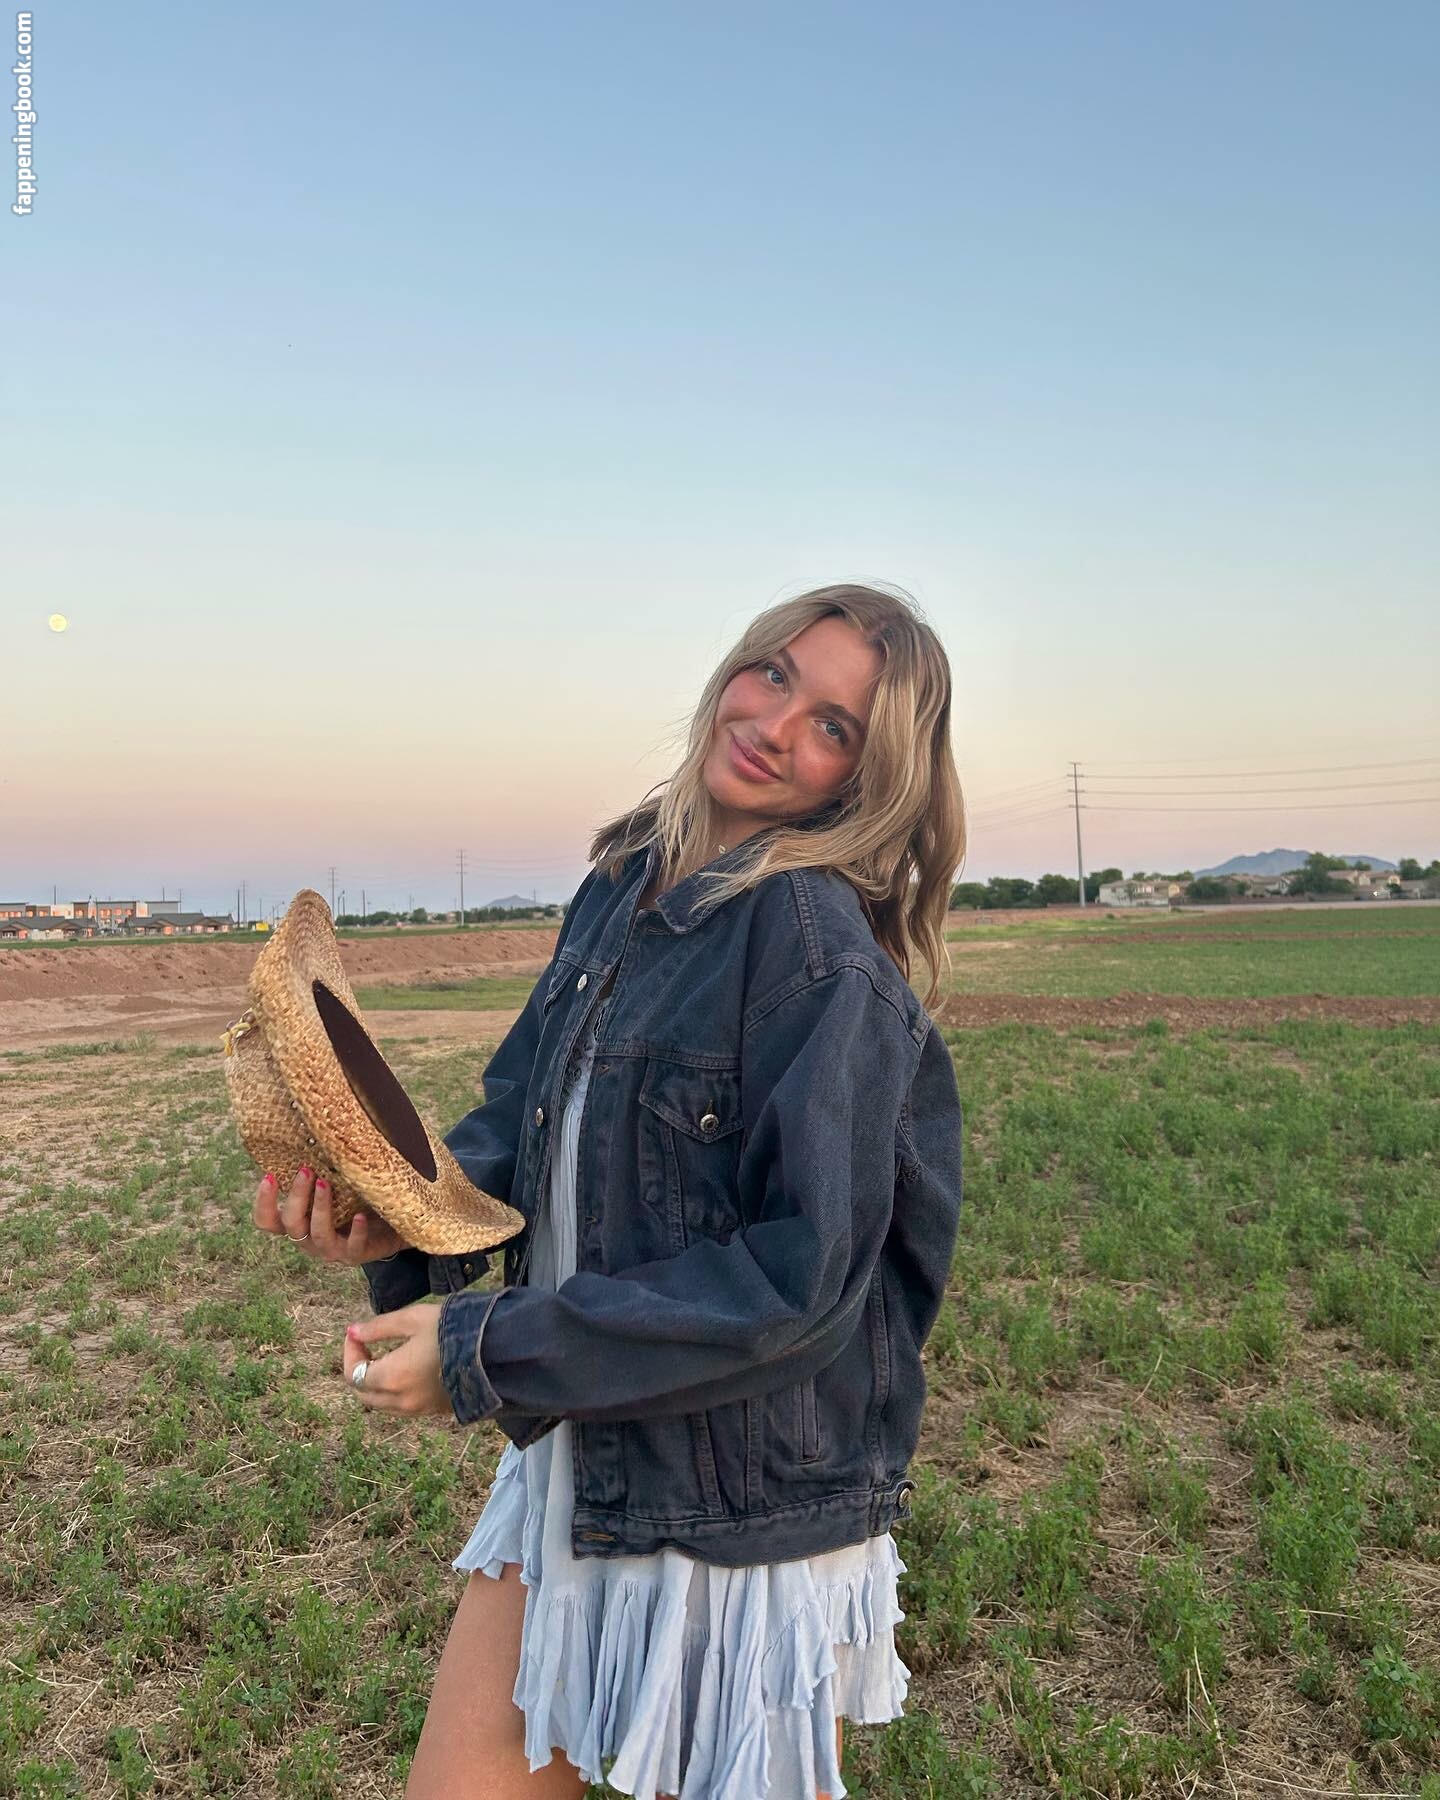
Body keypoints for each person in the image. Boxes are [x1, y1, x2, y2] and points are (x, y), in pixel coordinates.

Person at [253, 583, 965, 1800]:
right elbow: (523, 1113)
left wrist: (487, 1350)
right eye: (777, 675)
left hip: (739, 1508)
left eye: (835, 726)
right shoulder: (628, 882)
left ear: (867, 776)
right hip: (586, 1455)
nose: (777, 726)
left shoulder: (814, 949)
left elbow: (798, 1286)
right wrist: (397, 1218)